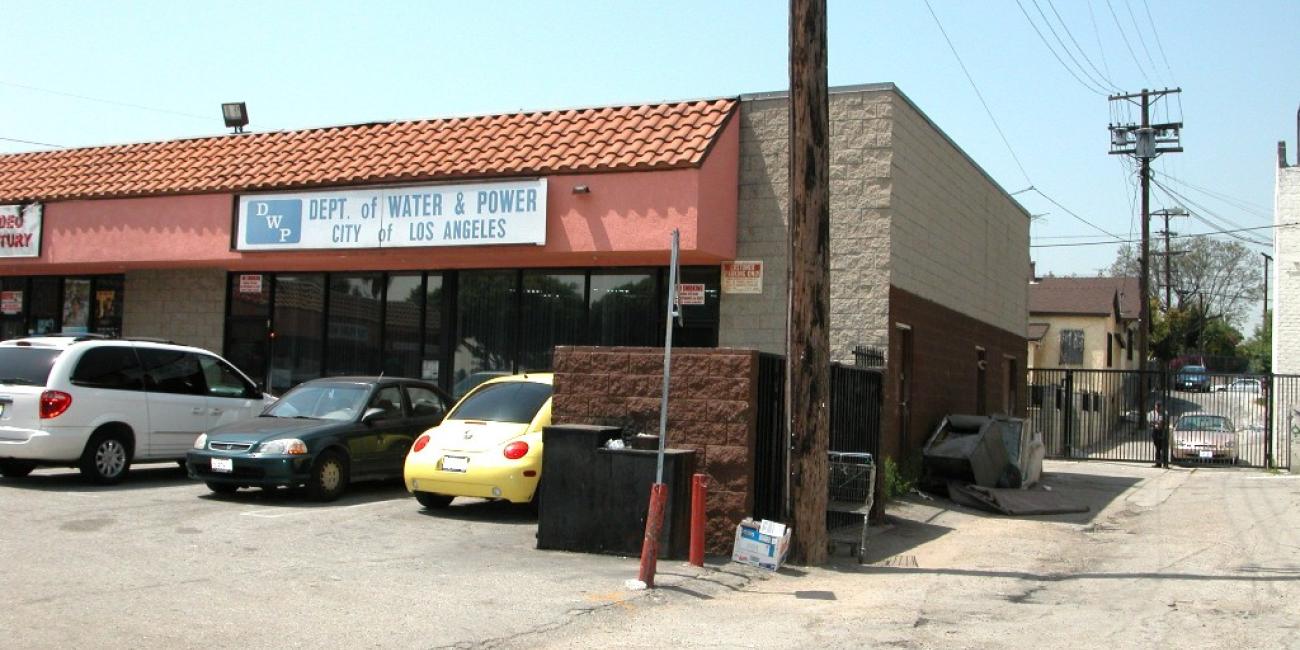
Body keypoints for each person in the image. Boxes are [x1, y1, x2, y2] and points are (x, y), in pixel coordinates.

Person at [1147, 400, 1169, 468]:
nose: (1158, 408)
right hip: (1155, 431)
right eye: (1157, 406)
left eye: (1159, 407)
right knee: (1158, 448)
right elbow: (1150, 422)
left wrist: (1162, 422)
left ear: (1161, 407)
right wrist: (1157, 422)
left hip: (1163, 431)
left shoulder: (1165, 413)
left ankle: (1165, 464)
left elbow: (1167, 421)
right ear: (1155, 406)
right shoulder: (1151, 413)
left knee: (1164, 448)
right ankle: (1158, 463)